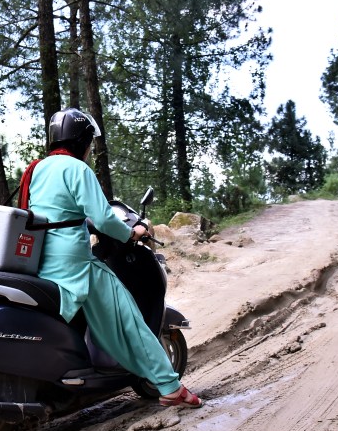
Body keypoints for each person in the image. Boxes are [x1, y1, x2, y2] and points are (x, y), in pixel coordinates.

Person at [19, 107, 202, 408]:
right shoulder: (77, 169)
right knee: (128, 318)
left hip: (43, 261)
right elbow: (105, 220)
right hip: (75, 265)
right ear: (82, 140)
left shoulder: (38, 169)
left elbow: (58, 214)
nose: (90, 149)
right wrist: (133, 233)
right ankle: (170, 387)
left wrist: (85, 223)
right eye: (90, 142)